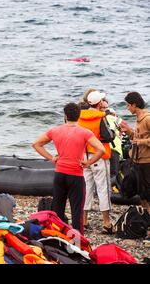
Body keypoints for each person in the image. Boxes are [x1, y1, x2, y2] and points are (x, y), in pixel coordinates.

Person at [32, 102, 105, 234]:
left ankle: (59, 239)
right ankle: (77, 243)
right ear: (79, 116)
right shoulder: (84, 132)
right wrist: (88, 162)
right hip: (76, 175)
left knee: (58, 210)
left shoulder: (55, 130)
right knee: (77, 212)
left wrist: (51, 158)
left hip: (60, 174)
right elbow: (101, 149)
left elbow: (36, 144)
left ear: (65, 115)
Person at [78, 90, 114, 234]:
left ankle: (84, 220)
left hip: (84, 157)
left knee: (86, 188)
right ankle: (106, 223)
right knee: (103, 188)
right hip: (99, 156)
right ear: (100, 103)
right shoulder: (101, 117)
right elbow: (109, 136)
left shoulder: (80, 117)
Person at [120, 92, 150, 224]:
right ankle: (147, 220)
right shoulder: (138, 119)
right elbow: (137, 138)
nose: (127, 108)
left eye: (128, 105)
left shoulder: (147, 119)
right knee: (142, 194)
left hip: (147, 162)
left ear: (134, 104)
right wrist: (128, 131)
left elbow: (141, 141)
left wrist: (141, 142)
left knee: (148, 194)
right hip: (138, 161)